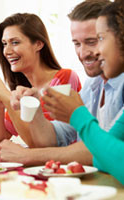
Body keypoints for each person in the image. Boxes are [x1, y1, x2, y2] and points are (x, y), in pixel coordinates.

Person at [0, 0, 124, 167]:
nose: (83, 53)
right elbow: (54, 139)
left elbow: (104, 151)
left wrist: (27, 156)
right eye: (77, 43)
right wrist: (35, 110)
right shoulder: (92, 84)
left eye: (94, 40)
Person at [43, 0, 124, 184]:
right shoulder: (92, 84)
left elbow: (110, 156)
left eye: (98, 40)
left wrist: (77, 115)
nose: (90, 53)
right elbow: (104, 154)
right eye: (77, 43)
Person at [0, 13, 81, 147]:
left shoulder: (65, 78)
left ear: (38, 44)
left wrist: (6, 97)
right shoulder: (22, 89)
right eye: (5, 44)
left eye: (15, 42)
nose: (6, 51)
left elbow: (42, 142)